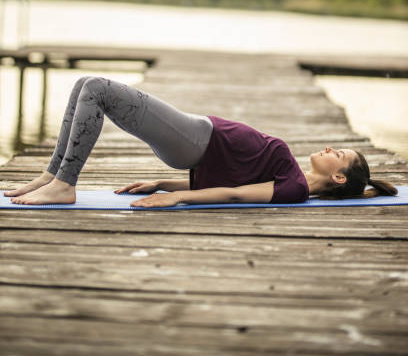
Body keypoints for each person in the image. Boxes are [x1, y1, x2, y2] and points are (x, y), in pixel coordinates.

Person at [3, 76, 397, 208]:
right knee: (85, 85)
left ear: (341, 178)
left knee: (99, 90)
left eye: (339, 155)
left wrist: (178, 199)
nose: (330, 149)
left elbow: (235, 196)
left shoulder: (294, 188)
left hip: (194, 141)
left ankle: (65, 186)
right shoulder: (292, 179)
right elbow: (234, 179)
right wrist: (164, 182)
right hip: (193, 138)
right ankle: (51, 175)